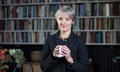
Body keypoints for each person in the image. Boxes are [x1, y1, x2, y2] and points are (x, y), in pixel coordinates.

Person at [41, 6, 88, 72]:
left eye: (67, 19)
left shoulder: (79, 42)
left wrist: (70, 60)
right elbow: (43, 67)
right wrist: (52, 56)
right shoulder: (50, 40)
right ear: (57, 20)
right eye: (60, 19)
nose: (63, 22)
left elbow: (84, 69)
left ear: (72, 21)